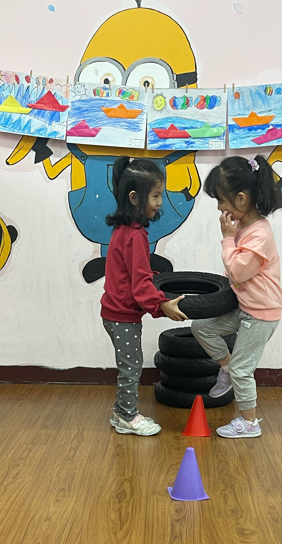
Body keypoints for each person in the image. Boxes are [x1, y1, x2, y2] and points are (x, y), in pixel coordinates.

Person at [191, 155, 282, 438]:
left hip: (260, 315)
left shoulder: (259, 235)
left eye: (221, 200)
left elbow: (238, 272)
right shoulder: (245, 227)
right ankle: (226, 368)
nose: (219, 207)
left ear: (241, 200)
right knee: (201, 326)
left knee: (243, 370)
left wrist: (227, 238)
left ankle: (249, 423)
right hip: (245, 308)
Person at [101, 157, 186, 436]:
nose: (160, 202)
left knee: (130, 365)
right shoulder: (135, 236)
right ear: (135, 198)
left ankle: (120, 412)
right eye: (155, 196)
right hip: (122, 315)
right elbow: (140, 284)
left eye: (161, 195)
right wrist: (162, 305)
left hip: (115, 312)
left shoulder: (124, 230)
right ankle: (126, 416)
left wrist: (156, 291)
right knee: (131, 368)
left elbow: (134, 276)